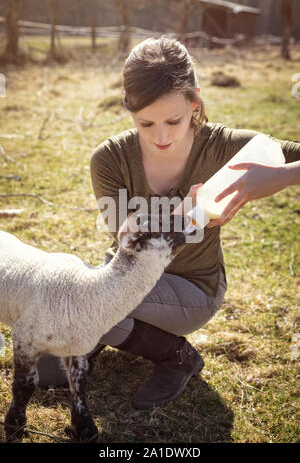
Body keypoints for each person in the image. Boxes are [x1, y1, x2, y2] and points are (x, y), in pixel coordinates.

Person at [37, 36, 300, 409]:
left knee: (97, 301)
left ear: (194, 101)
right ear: (129, 109)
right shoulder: (110, 159)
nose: (161, 137)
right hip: (126, 275)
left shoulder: (227, 146)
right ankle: (97, 328)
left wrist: (279, 176)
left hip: (192, 290)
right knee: (80, 308)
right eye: (145, 123)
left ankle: (176, 357)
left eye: (174, 120)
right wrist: (183, 220)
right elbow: (131, 244)